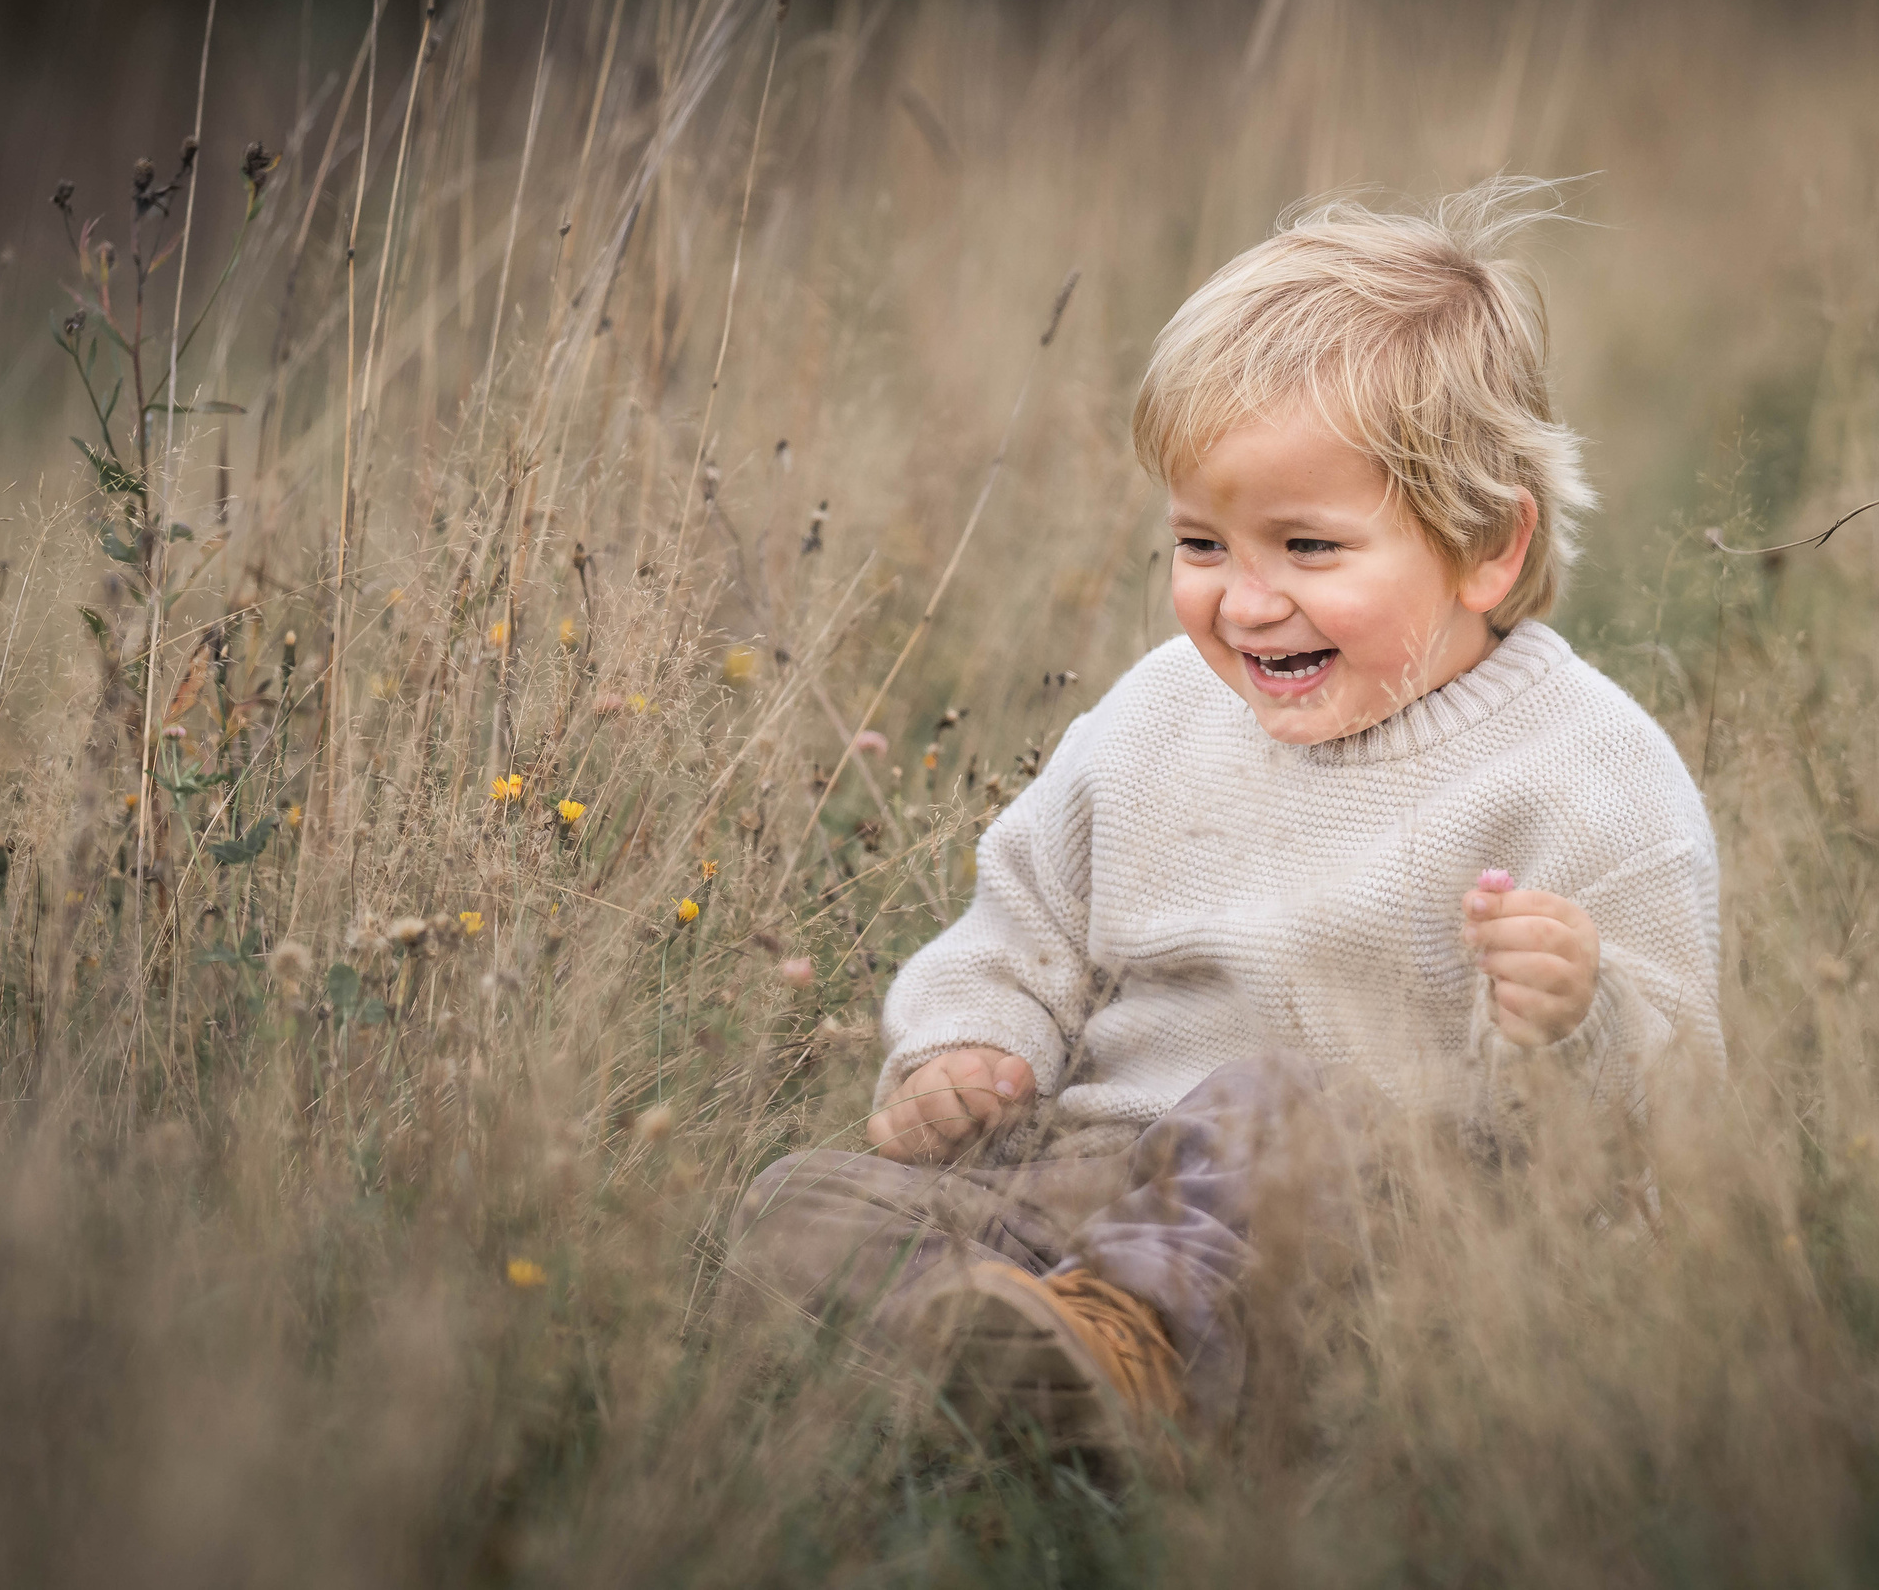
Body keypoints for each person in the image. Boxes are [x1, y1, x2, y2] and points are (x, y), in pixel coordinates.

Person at [727, 179, 1722, 1469]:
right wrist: (969, 1048)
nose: (1245, 605)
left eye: (1309, 549)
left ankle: (1119, 1365)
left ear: (1486, 544)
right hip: (1092, 1184)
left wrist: (1575, 1013)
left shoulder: (1584, 771)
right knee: (797, 1203)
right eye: (1202, 544)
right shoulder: (1157, 717)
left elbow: (1678, 1109)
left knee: (1280, 1107)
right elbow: (1023, 927)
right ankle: (1028, 1358)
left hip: (1370, 1227)